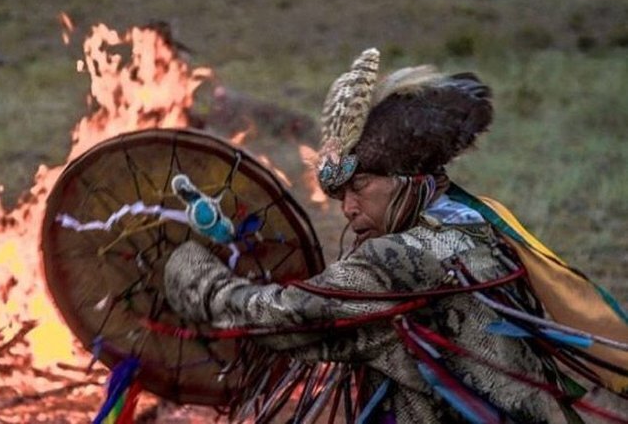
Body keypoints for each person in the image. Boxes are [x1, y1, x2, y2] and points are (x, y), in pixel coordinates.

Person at [163, 48, 628, 423]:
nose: (348, 208)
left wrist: (194, 276)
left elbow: (284, 319)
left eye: (360, 186)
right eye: (341, 194)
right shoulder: (476, 222)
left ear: (408, 179)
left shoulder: (395, 262)